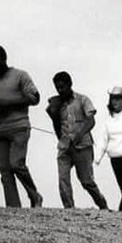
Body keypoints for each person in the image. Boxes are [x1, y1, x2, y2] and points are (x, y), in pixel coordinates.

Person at [0, 45, 42, 208]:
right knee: (5, 172)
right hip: (0, 130)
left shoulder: (20, 75)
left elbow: (35, 97)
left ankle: (34, 195)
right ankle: (13, 208)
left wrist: (9, 102)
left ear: (4, 58)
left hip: (19, 126)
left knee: (16, 164)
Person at [46, 72, 108, 210]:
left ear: (69, 85)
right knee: (63, 179)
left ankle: (102, 204)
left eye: (62, 87)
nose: (60, 90)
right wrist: (54, 115)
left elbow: (91, 120)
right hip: (65, 146)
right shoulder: (57, 104)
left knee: (86, 181)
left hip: (82, 146)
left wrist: (80, 134)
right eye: (57, 88)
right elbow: (56, 125)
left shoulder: (82, 100)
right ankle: (69, 208)